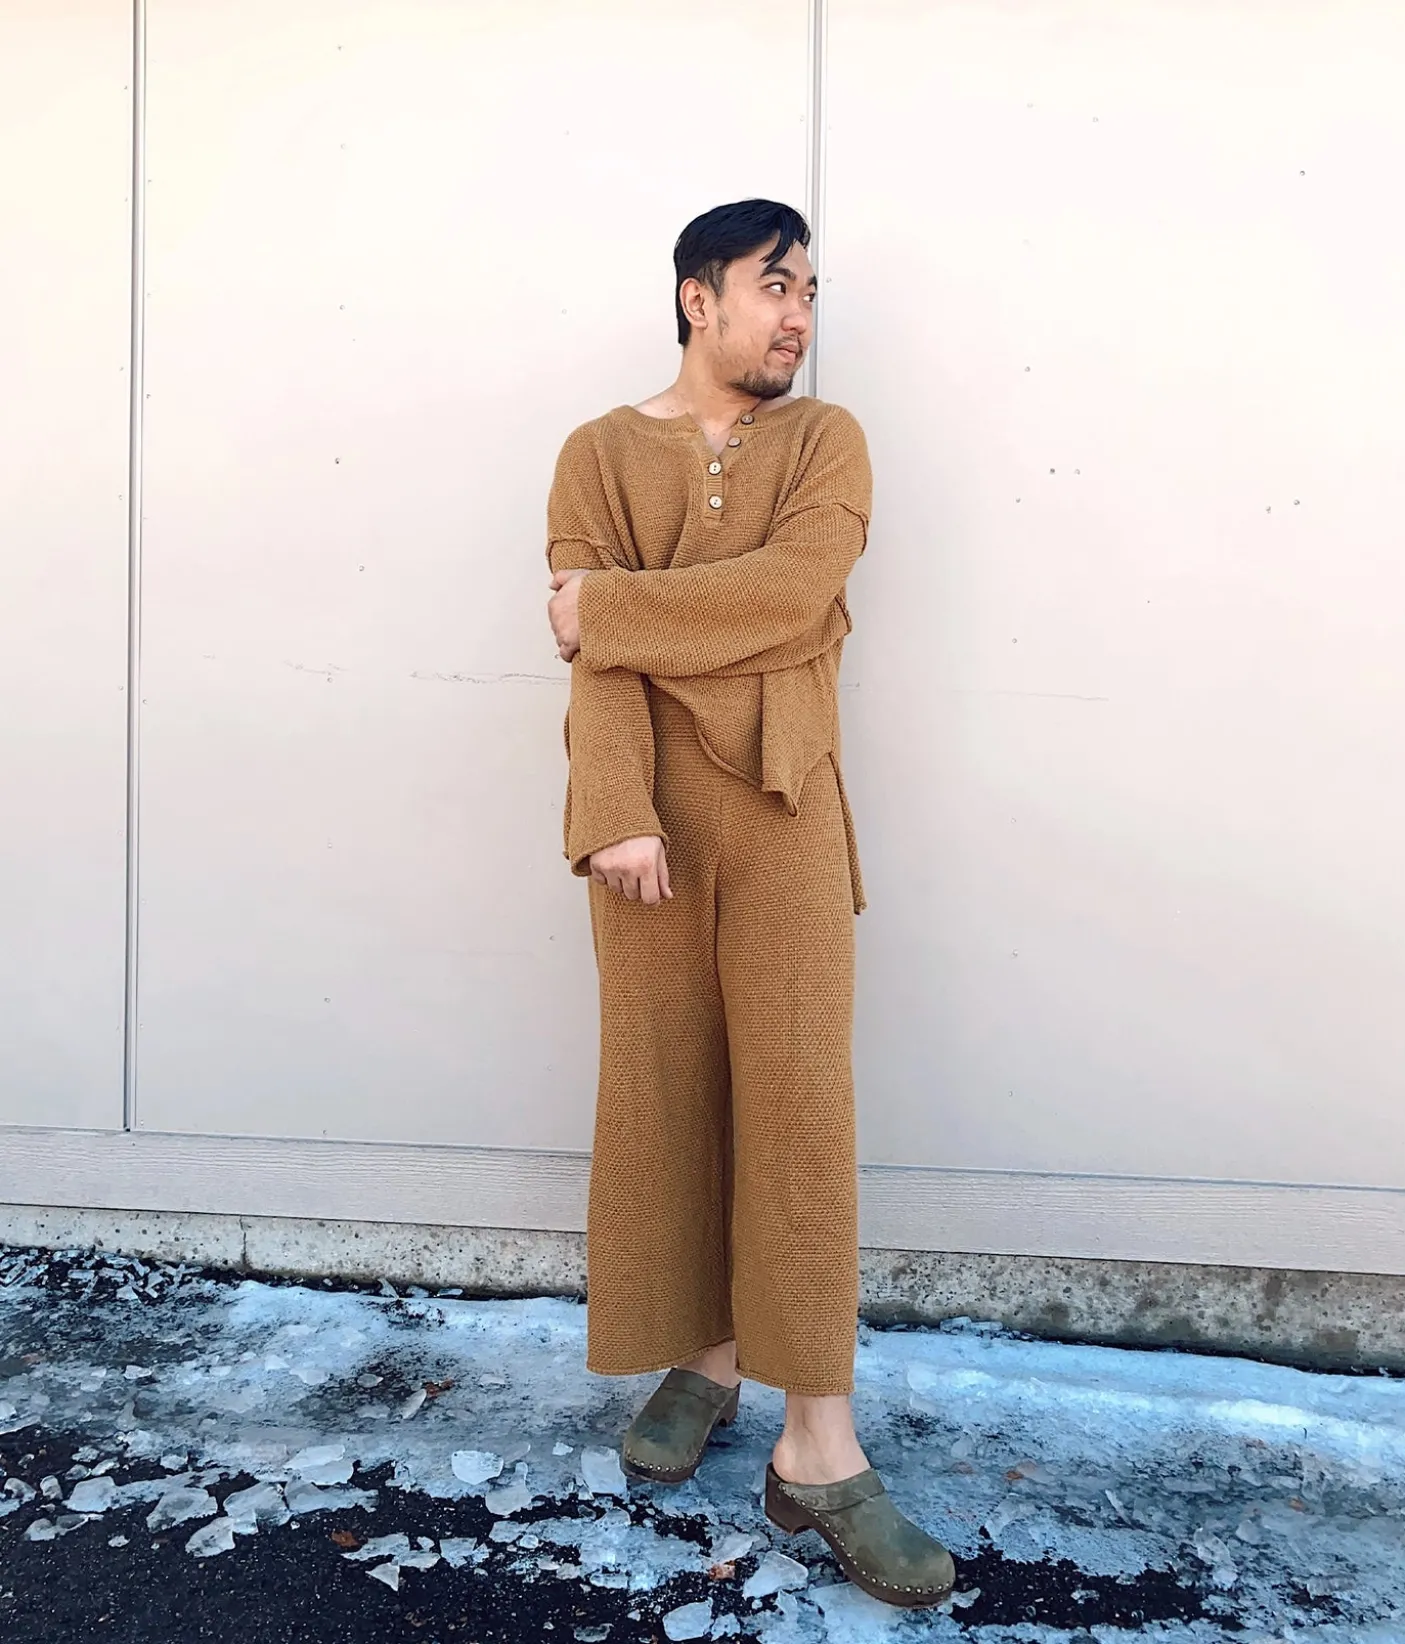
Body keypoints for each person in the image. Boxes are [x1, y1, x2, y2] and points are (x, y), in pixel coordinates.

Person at [544, 199, 955, 1608]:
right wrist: (611, 809)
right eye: (775, 286)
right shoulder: (597, 453)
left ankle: (818, 1447)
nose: (799, 315)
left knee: (797, 1112)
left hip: (788, 817)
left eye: (810, 291)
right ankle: (708, 1356)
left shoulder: (825, 443)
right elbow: (598, 678)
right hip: (648, 835)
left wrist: (611, 606)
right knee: (667, 1093)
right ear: (696, 297)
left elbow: (791, 594)